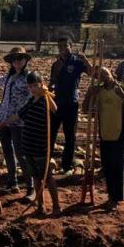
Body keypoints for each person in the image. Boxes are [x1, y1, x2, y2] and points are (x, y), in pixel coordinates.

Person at [0, 47, 33, 198]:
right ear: (11, 62)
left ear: (25, 60)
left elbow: (31, 101)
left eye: (20, 58)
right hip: (3, 121)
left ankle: (30, 188)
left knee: (21, 154)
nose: (17, 61)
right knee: (8, 152)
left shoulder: (28, 78)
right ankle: (13, 182)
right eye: (14, 59)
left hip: (19, 122)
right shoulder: (9, 77)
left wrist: (18, 116)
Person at [3, 72, 60, 216]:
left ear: (41, 84)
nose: (33, 89)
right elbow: (18, 115)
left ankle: (56, 207)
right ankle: (41, 206)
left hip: (41, 146)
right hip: (28, 145)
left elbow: (55, 109)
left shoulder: (45, 100)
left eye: (36, 85)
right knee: (36, 177)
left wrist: (46, 93)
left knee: (48, 176)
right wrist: (3, 123)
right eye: (31, 86)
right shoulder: (30, 101)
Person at [83, 67, 124, 211]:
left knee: (118, 167)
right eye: (99, 75)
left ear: (111, 72)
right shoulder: (98, 91)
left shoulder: (123, 86)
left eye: (105, 72)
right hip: (105, 133)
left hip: (121, 133)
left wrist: (123, 95)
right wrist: (89, 94)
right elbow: (85, 110)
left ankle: (116, 199)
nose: (103, 76)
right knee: (107, 167)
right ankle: (111, 196)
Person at [49, 37, 91, 173]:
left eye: (65, 45)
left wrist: (85, 59)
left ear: (71, 46)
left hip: (71, 104)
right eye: (60, 46)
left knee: (70, 137)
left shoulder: (77, 62)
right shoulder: (56, 64)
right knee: (51, 134)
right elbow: (52, 82)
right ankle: (47, 164)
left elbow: (91, 73)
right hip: (56, 104)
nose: (63, 48)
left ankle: (67, 166)